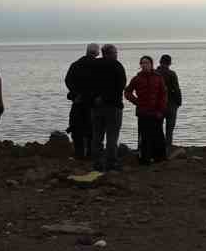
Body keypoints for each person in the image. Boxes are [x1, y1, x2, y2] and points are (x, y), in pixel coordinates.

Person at [89, 44, 128, 172]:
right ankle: (111, 162)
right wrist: (106, 97)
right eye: (115, 53)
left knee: (97, 136)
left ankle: (97, 162)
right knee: (112, 136)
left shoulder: (94, 65)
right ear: (109, 53)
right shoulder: (117, 66)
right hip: (113, 105)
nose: (117, 55)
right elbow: (121, 85)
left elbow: (87, 83)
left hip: (96, 106)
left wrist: (95, 98)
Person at [125, 55, 169, 165]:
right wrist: (136, 101)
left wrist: (161, 109)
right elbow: (127, 92)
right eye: (143, 63)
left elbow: (163, 94)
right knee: (144, 136)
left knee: (158, 135)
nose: (145, 65)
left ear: (151, 64)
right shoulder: (136, 78)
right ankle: (144, 158)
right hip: (143, 112)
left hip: (156, 111)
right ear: (140, 65)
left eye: (147, 63)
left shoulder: (158, 77)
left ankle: (160, 157)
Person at [65, 44, 100, 160]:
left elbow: (68, 81)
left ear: (87, 51)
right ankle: (90, 153)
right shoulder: (98, 65)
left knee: (76, 128)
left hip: (78, 101)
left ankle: (79, 153)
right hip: (92, 102)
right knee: (92, 129)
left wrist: (75, 94)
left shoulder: (75, 64)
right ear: (97, 53)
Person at [157, 54, 182, 150]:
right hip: (171, 104)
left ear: (160, 62)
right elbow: (176, 89)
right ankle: (168, 147)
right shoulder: (172, 74)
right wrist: (179, 102)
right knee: (169, 129)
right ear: (170, 63)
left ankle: (158, 147)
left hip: (158, 104)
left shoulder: (155, 73)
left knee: (158, 127)